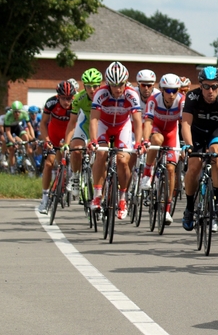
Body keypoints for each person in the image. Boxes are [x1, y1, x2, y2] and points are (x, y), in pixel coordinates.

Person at [88, 61, 145, 220]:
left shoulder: (132, 94)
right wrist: (93, 141)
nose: (118, 89)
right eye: (114, 85)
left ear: (125, 82)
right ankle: (98, 195)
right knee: (100, 154)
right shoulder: (101, 93)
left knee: (122, 160)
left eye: (121, 84)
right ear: (108, 83)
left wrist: (139, 142)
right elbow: (93, 120)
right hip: (104, 126)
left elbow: (137, 121)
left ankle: (122, 199)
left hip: (122, 127)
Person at [179, 66, 218, 232]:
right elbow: (186, 123)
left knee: (217, 155)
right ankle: (189, 208)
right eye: (206, 86)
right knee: (194, 166)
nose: (210, 90)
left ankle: (216, 203)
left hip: (217, 130)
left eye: (214, 86)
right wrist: (188, 144)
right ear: (200, 86)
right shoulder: (192, 96)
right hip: (197, 133)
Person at [140, 73, 185, 225]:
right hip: (157, 130)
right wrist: (146, 140)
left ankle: (166, 209)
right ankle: (147, 172)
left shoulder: (181, 101)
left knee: (171, 169)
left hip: (172, 133)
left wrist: (186, 144)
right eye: (168, 90)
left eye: (175, 90)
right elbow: (147, 121)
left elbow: (184, 125)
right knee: (156, 140)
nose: (171, 94)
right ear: (161, 89)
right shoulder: (154, 100)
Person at [63, 68, 103, 197]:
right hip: (84, 125)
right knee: (76, 150)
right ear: (84, 86)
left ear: (100, 85)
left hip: (101, 128)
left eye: (95, 86)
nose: (92, 89)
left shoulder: (106, 97)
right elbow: (72, 122)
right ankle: (75, 176)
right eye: (88, 86)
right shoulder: (79, 98)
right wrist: (66, 143)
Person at [37, 81, 76, 213]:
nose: (67, 101)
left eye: (70, 98)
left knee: (63, 162)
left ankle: (66, 177)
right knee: (49, 164)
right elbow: (43, 123)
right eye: (64, 98)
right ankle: (45, 196)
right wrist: (46, 140)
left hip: (68, 135)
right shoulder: (51, 103)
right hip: (53, 135)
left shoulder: (75, 105)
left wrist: (69, 142)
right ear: (58, 96)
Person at [3, 101, 33, 174]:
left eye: (18, 112)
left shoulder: (24, 114)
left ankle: (26, 156)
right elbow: (8, 132)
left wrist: (33, 138)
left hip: (17, 127)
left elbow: (29, 126)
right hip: (9, 129)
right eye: (15, 112)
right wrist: (13, 142)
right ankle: (12, 167)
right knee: (11, 149)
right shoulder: (8, 116)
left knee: (26, 137)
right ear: (12, 111)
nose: (17, 114)